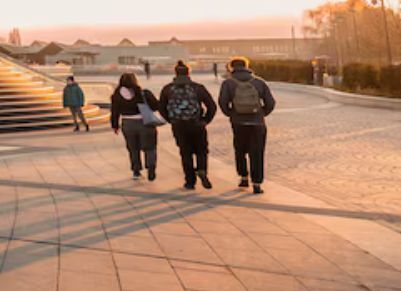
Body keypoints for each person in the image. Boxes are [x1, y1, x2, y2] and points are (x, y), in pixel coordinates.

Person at [218, 57, 277, 193]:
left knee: (240, 150)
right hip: (257, 123)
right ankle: (257, 183)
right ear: (247, 66)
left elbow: (222, 102)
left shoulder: (228, 83)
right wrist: (261, 114)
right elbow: (270, 102)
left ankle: (244, 177)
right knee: (257, 153)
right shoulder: (259, 82)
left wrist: (232, 114)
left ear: (231, 67)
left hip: (238, 123)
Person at [158, 61, 218, 190]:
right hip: (197, 124)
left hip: (179, 126)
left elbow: (161, 107)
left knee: (185, 153)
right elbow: (211, 106)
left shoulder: (167, 89)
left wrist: (171, 120)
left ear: (175, 73)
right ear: (188, 72)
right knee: (202, 150)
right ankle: (202, 169)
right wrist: (205, 120)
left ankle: (190, 182)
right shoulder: (198, 88)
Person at [108, 71, 163, 180]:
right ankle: (151, 168)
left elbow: (114, 112)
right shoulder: (143, 93)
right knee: (150, 147)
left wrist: (115, 125)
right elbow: (156, 106)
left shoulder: (116, 95)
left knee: (133, 148)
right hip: (145, 123)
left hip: (127, 124)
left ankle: (136, 171)